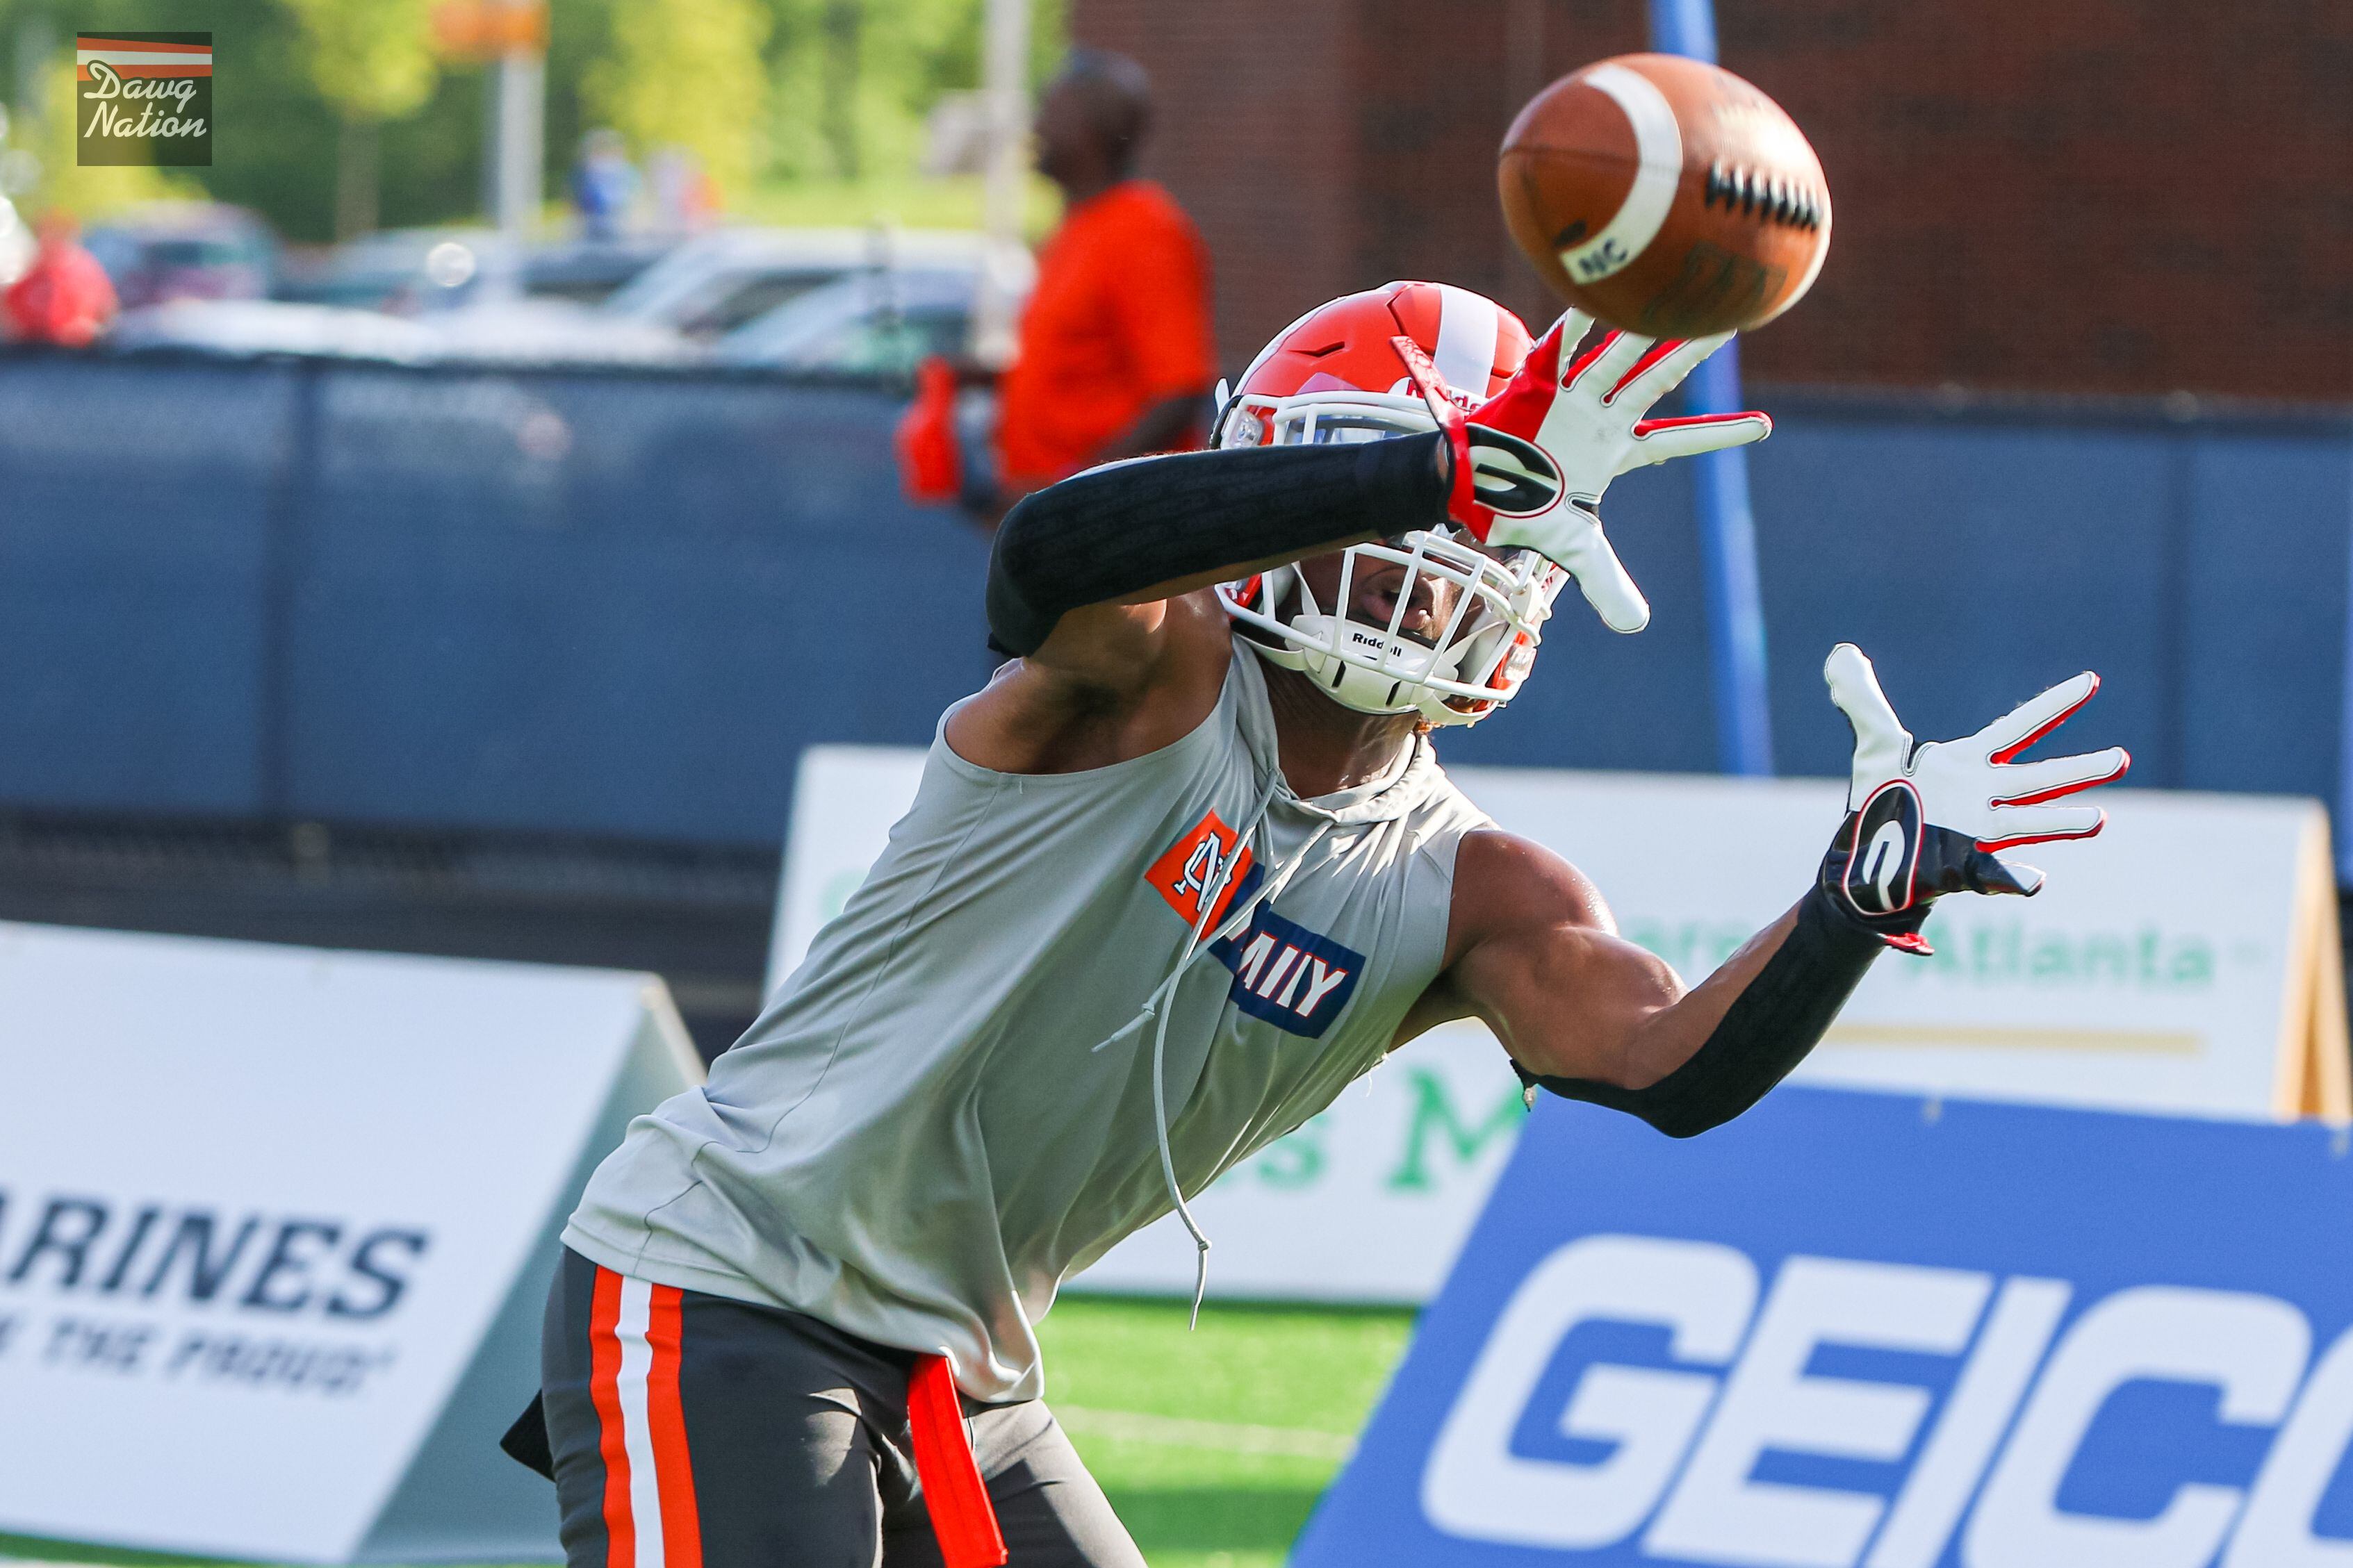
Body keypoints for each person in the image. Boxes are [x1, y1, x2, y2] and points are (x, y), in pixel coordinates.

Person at [512, 281, 2129, 1565]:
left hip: (963, 1382)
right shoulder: (1159, 668)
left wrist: (1861, 890)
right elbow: (1040, 554)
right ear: (1279, 480)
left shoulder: (1475, 882)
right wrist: (1417, 459)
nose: (1428, 557)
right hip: (730, 1284)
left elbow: (1660, 1065)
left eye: (1472, 523)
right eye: (1404, 501)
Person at [896, 49, 1215, 524]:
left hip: (1108, 524)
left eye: (1050, 113)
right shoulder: (1075, 228)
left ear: (1091, 131)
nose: (1036, 130)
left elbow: (1178, 393)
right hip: (1049, 517)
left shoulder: (1146, 230)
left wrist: (1071, 494)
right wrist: (984, 378)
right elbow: (1083, 366)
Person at [2, 212, 118, 347]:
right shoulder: (33, 274)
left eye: (55, 236)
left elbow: (106, 311)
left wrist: (90, 328)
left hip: (76, 352)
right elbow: (10, 310)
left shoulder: (85, 271)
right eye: (45, 236)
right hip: (35, 352)